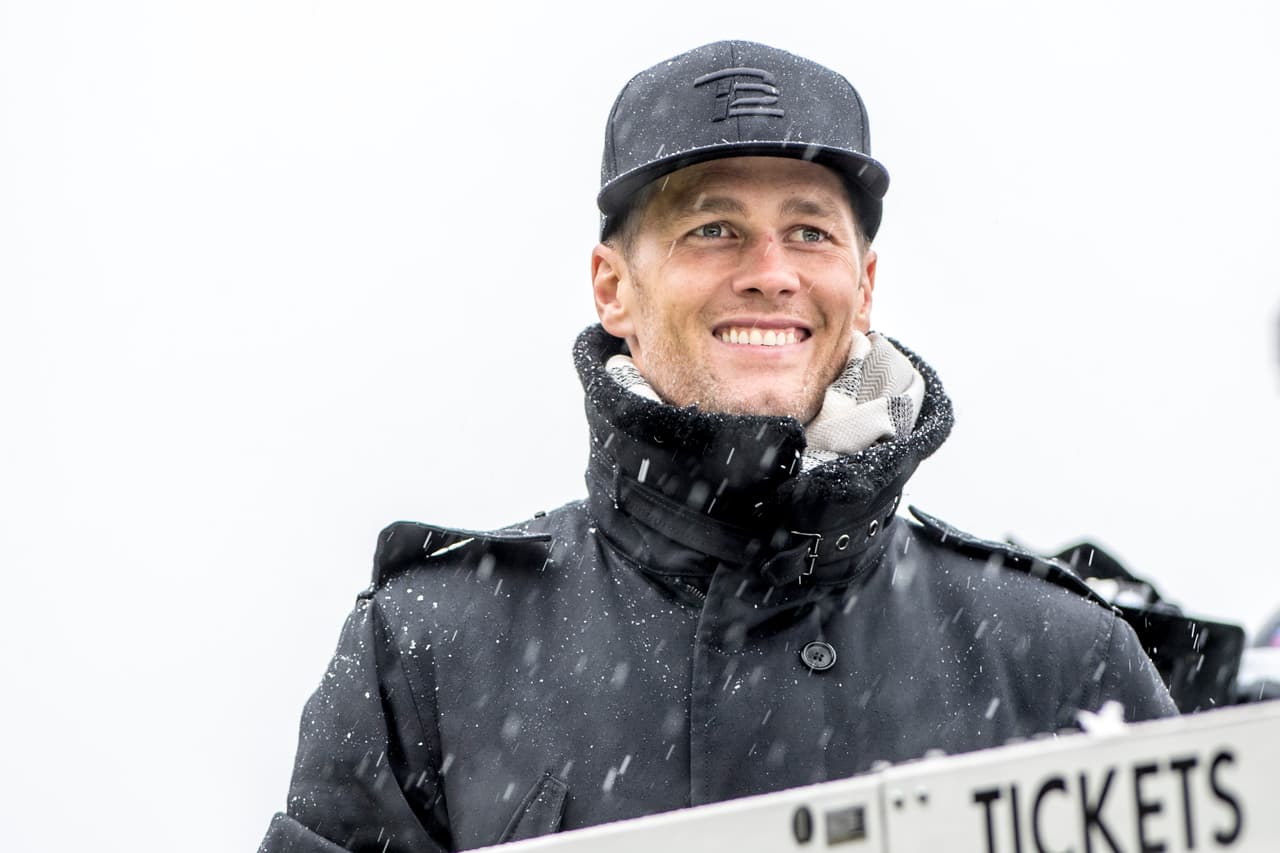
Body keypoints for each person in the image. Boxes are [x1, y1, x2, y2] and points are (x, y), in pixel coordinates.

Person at [258, 40, 1176, 853]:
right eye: (713, 228)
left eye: (809, 231)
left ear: (863, 286)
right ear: (612, 287)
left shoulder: (1057, 656)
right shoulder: (428, 649)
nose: (770, 272)